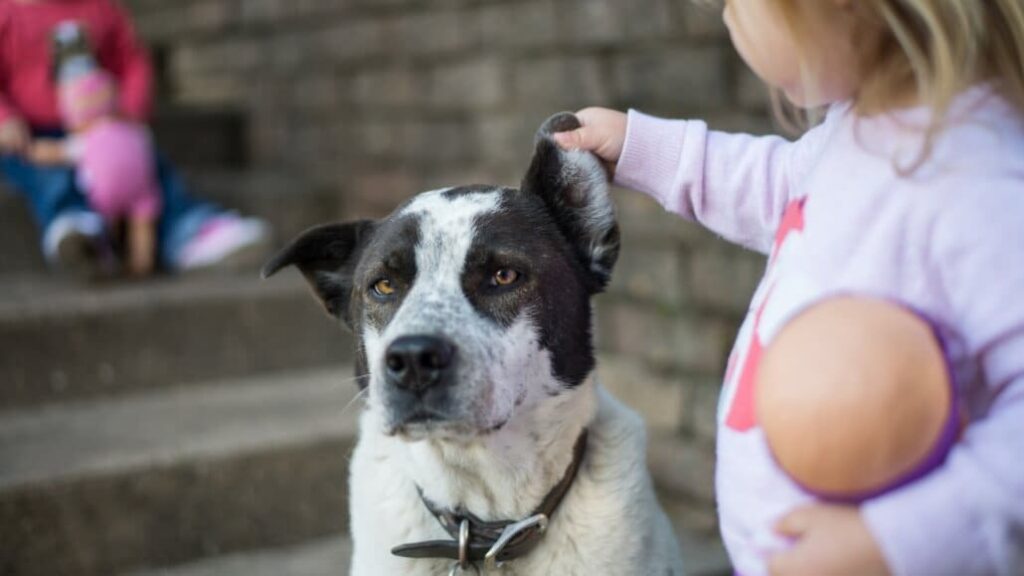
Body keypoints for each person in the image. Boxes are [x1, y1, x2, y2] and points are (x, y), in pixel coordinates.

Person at [553, 1, 1024, 575]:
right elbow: (775, 187)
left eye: (732, 5)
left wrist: (896, 542)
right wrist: (641, 146)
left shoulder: (977, 179)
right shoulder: (857, 128)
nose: (728, 24)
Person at [0, 0, 270, 280]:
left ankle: (186, 228)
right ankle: (77, 229)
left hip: (108, 128)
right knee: (51, 177)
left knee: (150, 167)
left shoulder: (101, 8)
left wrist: (130, 109)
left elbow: (131, 59)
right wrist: (4, 118)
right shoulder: (6, 14)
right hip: (33, 135)